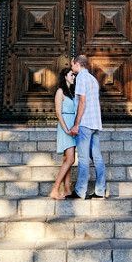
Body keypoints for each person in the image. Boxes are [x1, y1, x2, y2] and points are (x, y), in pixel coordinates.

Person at [68, 54, 107, 199]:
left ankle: (80, 191)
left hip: (84, 123)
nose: (71, 68)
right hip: (95, 122)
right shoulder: (93, 79)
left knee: (83, 158)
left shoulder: (81, 79)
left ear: (77, 64)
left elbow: (82, 102)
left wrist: (76, 124)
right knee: (97, 157)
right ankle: (100, 191)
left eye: (72, 65)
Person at [49, 68, 77, 200]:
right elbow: (58, 112)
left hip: (72, 126)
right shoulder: (60, 92)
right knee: (71, 159)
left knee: (67, 160)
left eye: (74, 75)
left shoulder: (71, 92)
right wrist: (66, 129)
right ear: (65, 76)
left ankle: (66, 189)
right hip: (65, 127)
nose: (74, 77)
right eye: (72, 75)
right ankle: (55, 189)